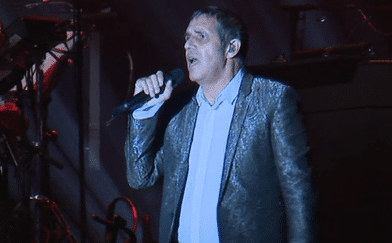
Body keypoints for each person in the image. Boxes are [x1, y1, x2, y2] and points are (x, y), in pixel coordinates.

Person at [125, 5, 316, 243]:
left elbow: (298, 193)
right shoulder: (180, 112)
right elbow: (140, 176)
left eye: (200, 36)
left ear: (231, 48)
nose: (187, 45)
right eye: (186, 38)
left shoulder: (271, 101)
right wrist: (144, 111)